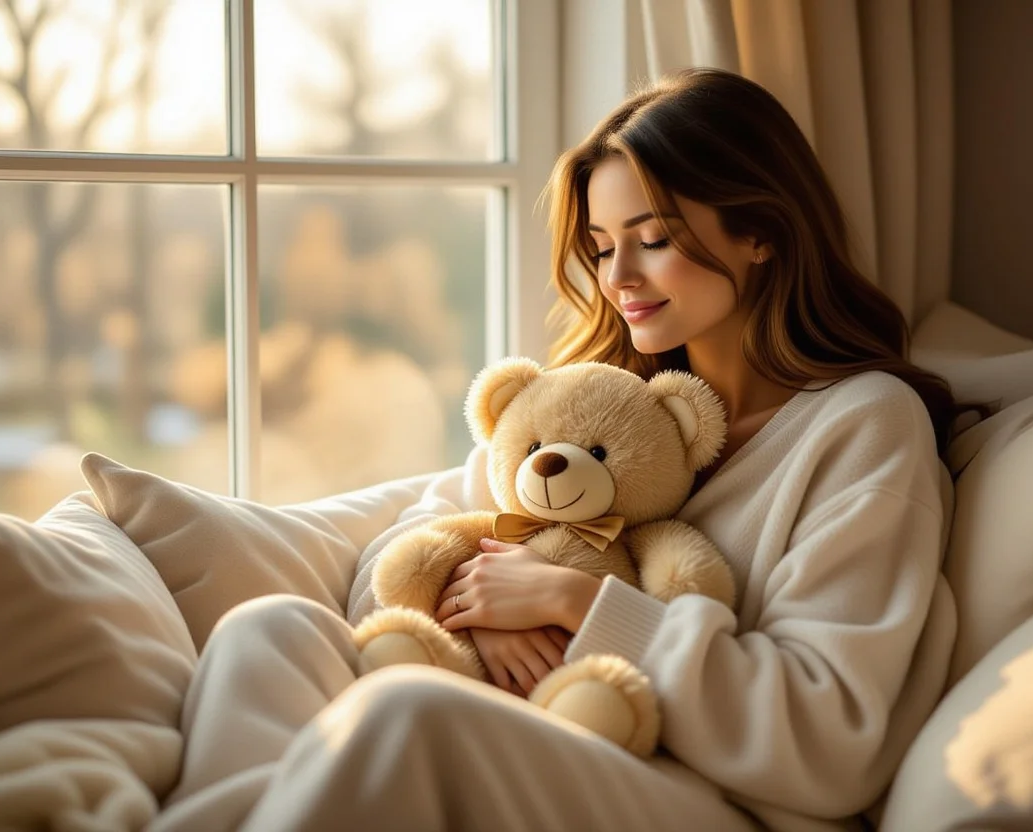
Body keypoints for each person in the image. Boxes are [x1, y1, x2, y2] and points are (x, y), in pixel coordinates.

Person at [154, 68, 962, 832]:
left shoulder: (861, 425)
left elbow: (828, 738)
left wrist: (573, 602)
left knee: (407, 714)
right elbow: (400, 556)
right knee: (269, 632)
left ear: (760, 232)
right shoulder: (602, 401)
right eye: (603, 247)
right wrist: (480, 610)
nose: (618, 277)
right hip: (542, 732)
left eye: (653, 238)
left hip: (715, 798)